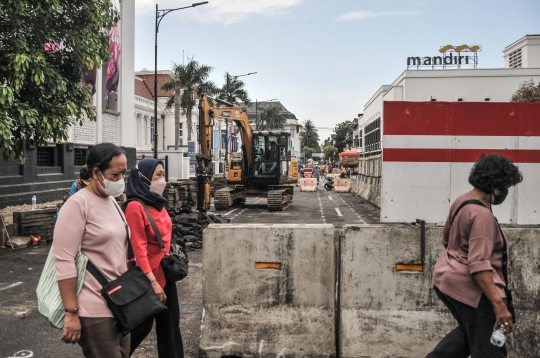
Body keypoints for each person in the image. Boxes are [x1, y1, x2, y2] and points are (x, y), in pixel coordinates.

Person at [427, 154, 523, 358]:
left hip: (446, 280)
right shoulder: (483, 215)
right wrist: (499, 306)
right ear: (494, 185)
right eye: (505, 186)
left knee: (469, 334)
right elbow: (479, 266)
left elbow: (447, 239)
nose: (505, 192)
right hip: (475, 290)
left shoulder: (463, 200)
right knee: (490, 347)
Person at [53, 143, 129, 357]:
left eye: (123, 173)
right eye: (115, 174)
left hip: (119, 300)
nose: (120, 180)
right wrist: (71, 312)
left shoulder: (112, 202)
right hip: (93, 306)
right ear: (97, 172)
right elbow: (64, 259)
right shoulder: (78, 204)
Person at [123, 159, 184, 358]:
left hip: (165, 276)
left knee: (170, 329)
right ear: (143, 178)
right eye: (157, 175)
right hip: (147, 280)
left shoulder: (158, 203)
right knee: (140, 328)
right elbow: (138, 250)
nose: (162, 180)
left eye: (163, 175)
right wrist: (153, 283)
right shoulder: (135, 207)